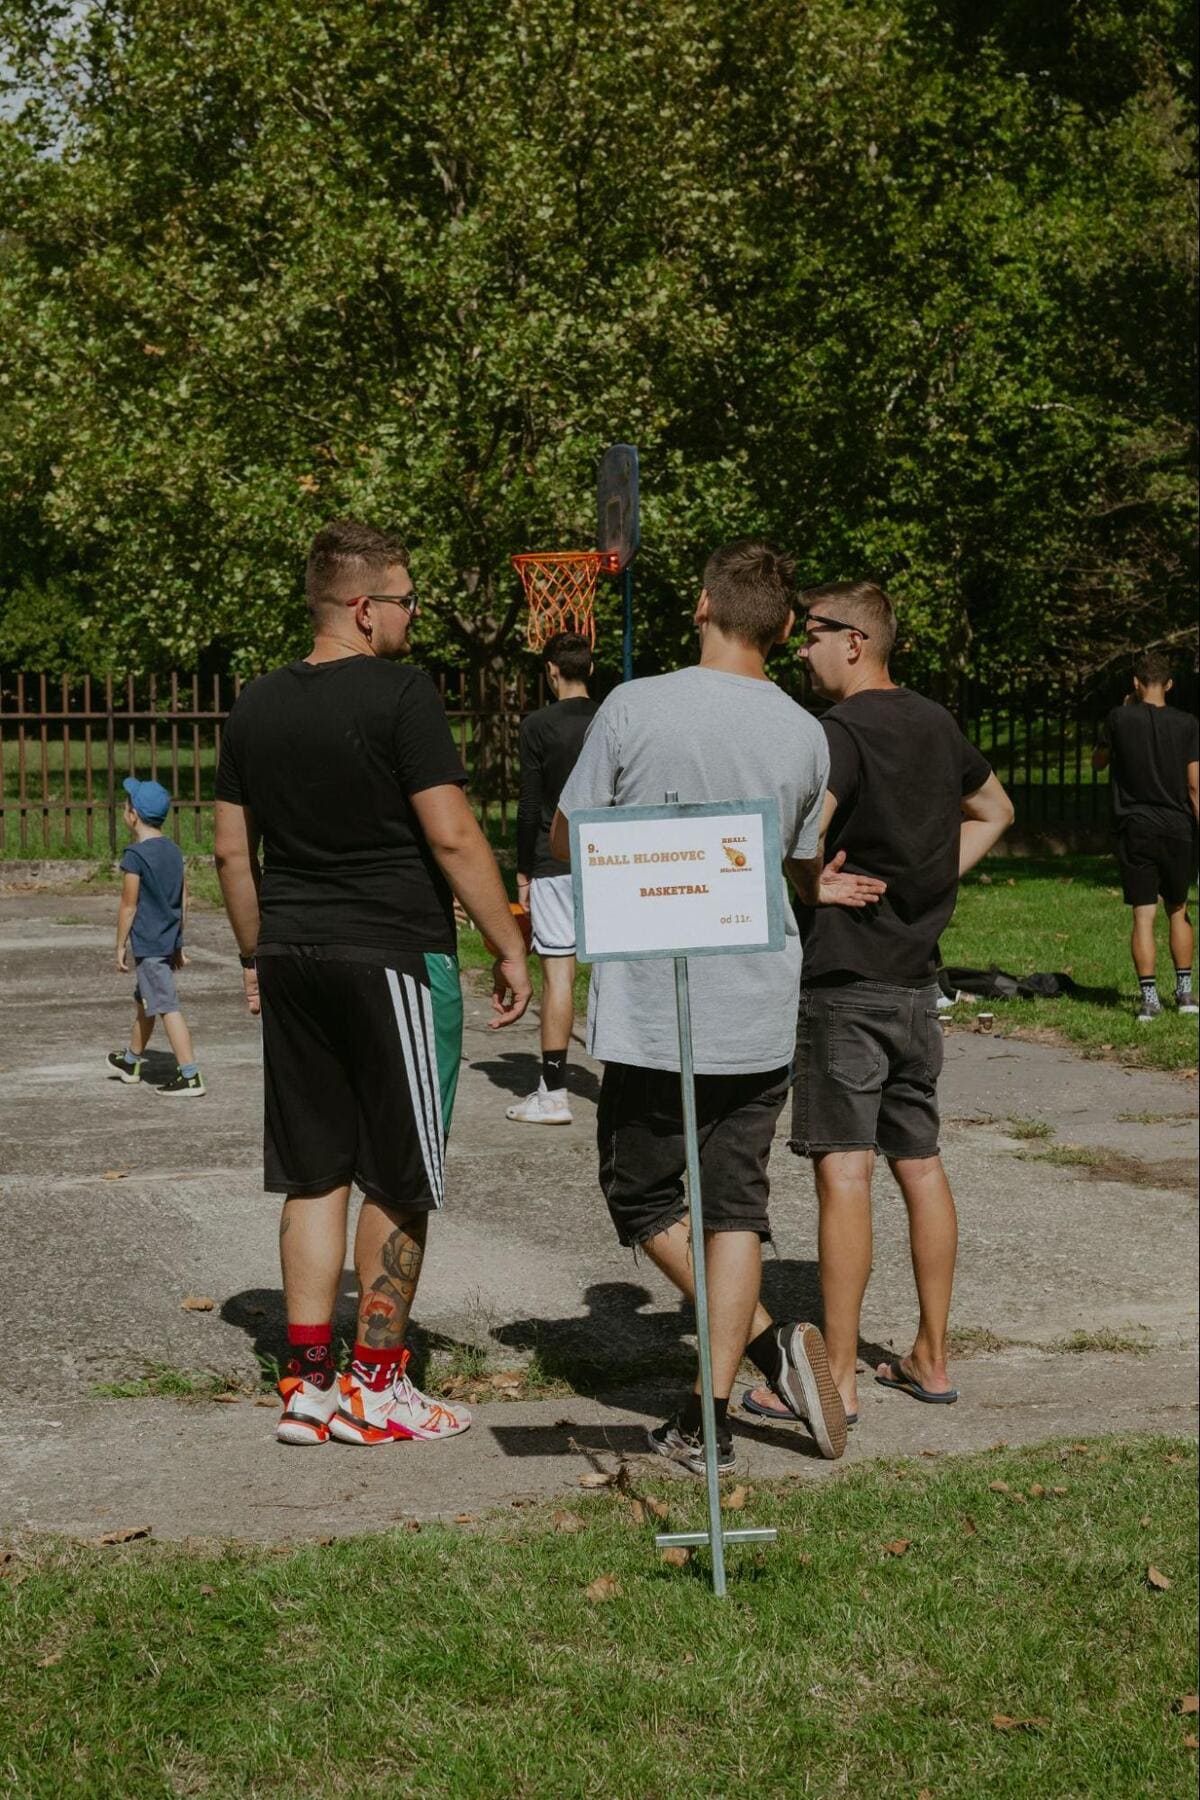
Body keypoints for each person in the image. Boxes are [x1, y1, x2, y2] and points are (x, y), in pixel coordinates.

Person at [551, 541, 885, 1476]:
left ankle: (769, 1342)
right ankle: (714, 1413)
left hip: (658, 998)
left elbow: (572, 835)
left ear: (702, 606)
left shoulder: (633, 705)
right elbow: (803, 859)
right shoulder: (807, 733)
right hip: (759, 996)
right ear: (783, 629)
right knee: (734, 1208)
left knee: (642, 1191)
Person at [214, 519, 531, 1448]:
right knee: (399, 1174)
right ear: (363, 607)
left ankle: (307, 1383)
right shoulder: (403, 693)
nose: (412, 614)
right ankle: (378, 1386)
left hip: (294, 955)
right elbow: (453, 835)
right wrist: (509, 945)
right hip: (393, 955)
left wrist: (255, 955)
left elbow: (232, 853)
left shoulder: (253, 705)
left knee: (313, 1173)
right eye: (405, 600)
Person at [742, 582, 1014, 1432]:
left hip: (845, 983)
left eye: (813, 636)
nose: (802, 650)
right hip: (915, 985)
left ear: (854, 641)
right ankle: (931, 1356)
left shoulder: (840, 731)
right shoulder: (936, 722)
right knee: (920, 1165)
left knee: (844, 1171)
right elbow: (996, 809)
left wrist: (810, 884)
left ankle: (840, 1381)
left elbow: (799, 833)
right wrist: (930, 878)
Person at [506, 630, 599, 1126]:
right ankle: (627, 1086)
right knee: (615, 975)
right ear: (591, 668)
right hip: (606, 857)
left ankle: (555, 1094)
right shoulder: (611, 718)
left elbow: (529, 804)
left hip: (553, 859)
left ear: (551, 671)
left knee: (558, 974)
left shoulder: (536, 726)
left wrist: (523, 867)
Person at [1092, 651, 1199, 1022]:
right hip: (1178, 827)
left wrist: (1123, 712)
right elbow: (1194, 785)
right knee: (1179, 909)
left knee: (1143, 914)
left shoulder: (1119, 718)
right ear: (1169, 683)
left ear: (1135, 683)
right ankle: (1185, 994)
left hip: (1135, 826)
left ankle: (1149, 999)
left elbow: (1098, 761)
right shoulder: (1188, 724)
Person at [107, 776, 205, 1098]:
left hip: (149, 947)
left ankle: (190, 1075)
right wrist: (178, 942)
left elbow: (128, 906)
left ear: (133, 814)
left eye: (126, 804)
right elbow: (183, 899)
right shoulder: (173, 852)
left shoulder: (135, 856)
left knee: (165, 1006)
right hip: (165, 942)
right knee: (145, 1002)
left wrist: (120, 945)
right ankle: (131, 1061)